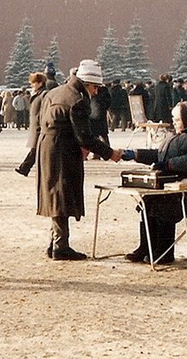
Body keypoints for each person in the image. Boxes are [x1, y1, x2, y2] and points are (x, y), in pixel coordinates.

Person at [36, 60, 124, 260]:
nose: (95, 93)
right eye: (96, 88)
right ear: (88, 84)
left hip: (48, 148)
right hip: (63, 151)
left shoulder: (55, 92)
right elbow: (84, 137)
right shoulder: (77, 100)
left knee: (55, 193)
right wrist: (110, 153)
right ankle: (61, 246)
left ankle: (54, 243)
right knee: (61, 195)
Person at [126, 102, 187, 264]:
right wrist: (136, 154)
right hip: (176, 188)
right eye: (174, 119)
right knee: (147, 201)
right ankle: (146, 246)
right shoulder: (175, 135)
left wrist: (169, 164)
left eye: (177, 119)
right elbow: (160, 155)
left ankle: (164, 252)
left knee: (164, 204)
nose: (174, 122)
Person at [15, 72, 48, 176]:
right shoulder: (37, 93)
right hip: (35, 125)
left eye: (33, 82)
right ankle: (25, 168)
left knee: (36, 149)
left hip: (40, 126)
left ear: (40, 83)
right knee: (36, 149)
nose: (32, 85)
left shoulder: (44, 94)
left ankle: (24, 168)